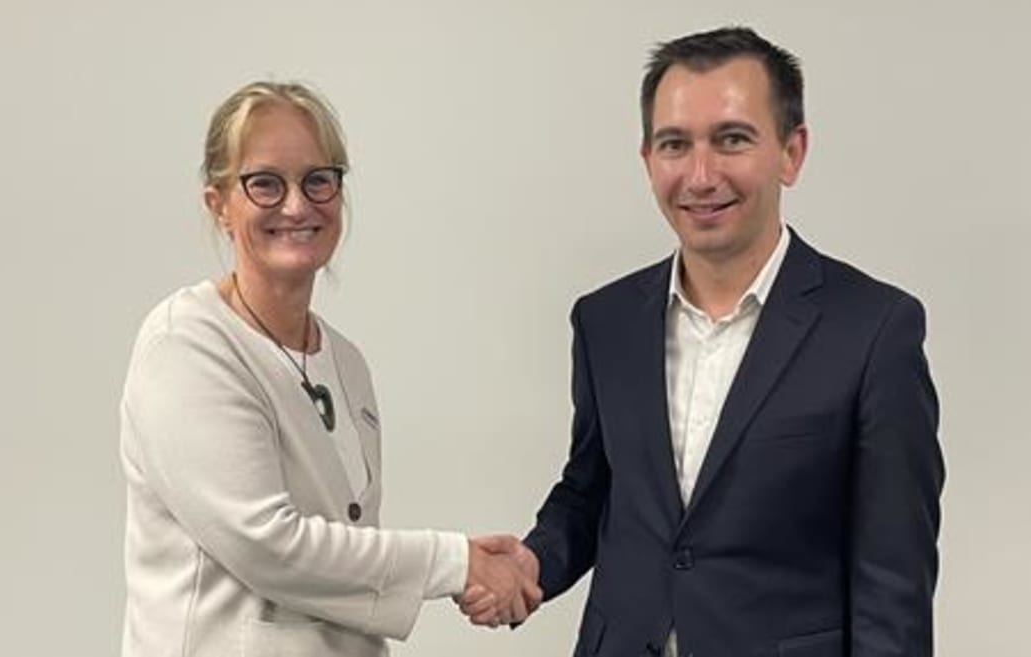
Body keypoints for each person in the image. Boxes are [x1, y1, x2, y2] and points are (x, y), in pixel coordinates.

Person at [461, 26, 944, 656]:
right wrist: (533, 564)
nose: (700, 174)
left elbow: (894, 582)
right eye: (674, 144)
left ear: (791, 152)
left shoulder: (876, 330)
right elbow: (594, 489)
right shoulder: (604, 321)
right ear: (647, 159)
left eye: (732, 140)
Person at [119, 81, 538, 657]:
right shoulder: (187, 346)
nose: (297, 204)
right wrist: (456, 563)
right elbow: (268, 547)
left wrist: (480, 571)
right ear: (219, 205)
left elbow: (342, 564)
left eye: (318, 180)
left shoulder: (345, 362)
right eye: (265, 183)